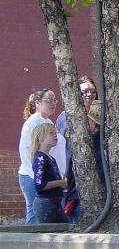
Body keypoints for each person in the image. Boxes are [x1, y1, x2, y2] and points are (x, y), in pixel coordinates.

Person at [18, 89, 65, 224]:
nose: (53, 104)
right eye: (48, 100)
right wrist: (37, 176)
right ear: (37, 103)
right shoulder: (32, 123)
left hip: (48, 179)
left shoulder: (48, 122)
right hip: (33, 177)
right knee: (36, 218)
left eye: (54, 100)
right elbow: (26, 152)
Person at [56, 76, 98, 223]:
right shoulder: (65, 117)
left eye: (92, 91)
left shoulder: (102, 116)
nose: (89, 95)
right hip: (71, 173)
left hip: (97, 172)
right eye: (84, 91)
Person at [31, 123, 69, 223]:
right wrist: (61, 183)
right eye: (51, 133)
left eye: (55, 132)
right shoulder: (40, 158)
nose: (55, 135)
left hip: (56, 203)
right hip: (45, 204)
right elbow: (39, 185)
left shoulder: (51, 158)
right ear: (40, 138)